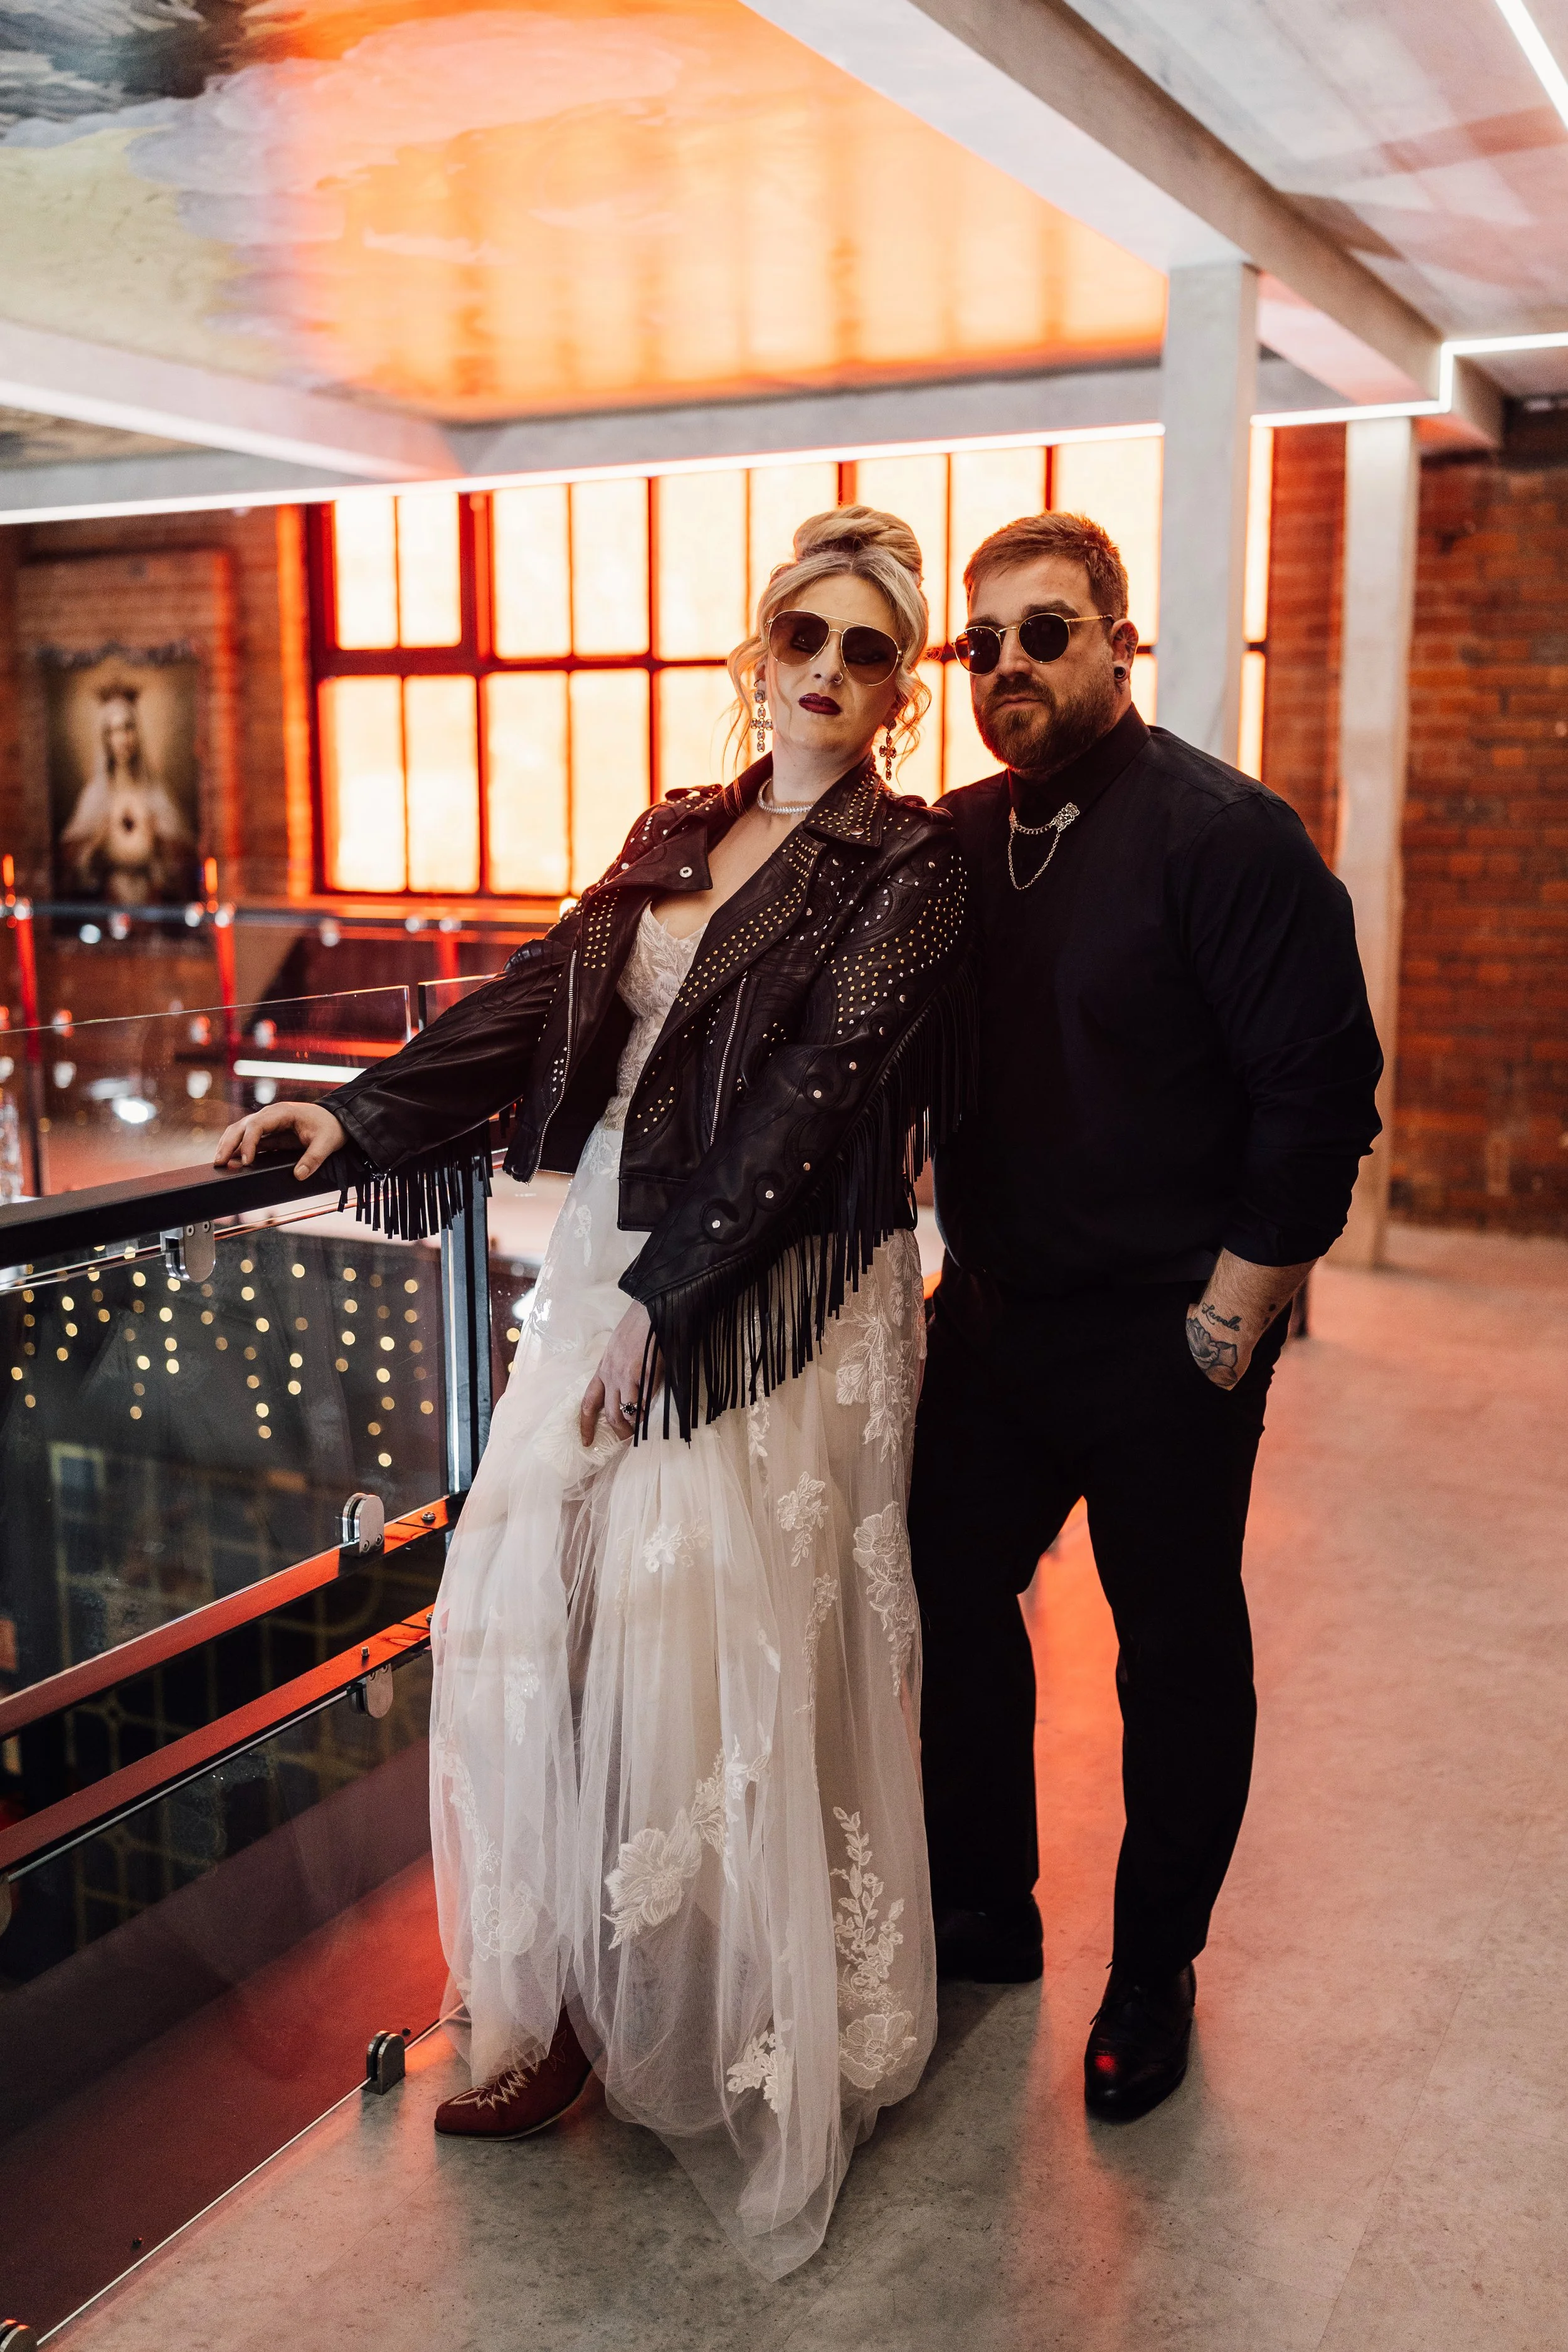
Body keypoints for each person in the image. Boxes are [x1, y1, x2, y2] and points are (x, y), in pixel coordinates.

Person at [215, 507, 973, 2277]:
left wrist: (674, 1296)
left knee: (700, 1625)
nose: (828, 670)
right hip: (614, 1251)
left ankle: (729, 2020)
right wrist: (357, 1110)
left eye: (869, 649)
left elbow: (817, 1093)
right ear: (755, 647)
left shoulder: (906, 862)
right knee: (525, 1595)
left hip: (771, 1279)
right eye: (806, 631)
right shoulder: (677, 826)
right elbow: (543, 994)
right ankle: (561, 1994)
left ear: (896, 689)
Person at [910, 509, 1382, 2124]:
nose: (1009, 667)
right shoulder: (962, 843)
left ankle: (1150, 1968)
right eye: (981, 645)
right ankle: (984, 1909)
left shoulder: (1223, 836)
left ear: (1116, 636)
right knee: (938, 1592)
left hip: (1167, 1336)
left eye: (1043, 633)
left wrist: (1229, 1322)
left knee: (1172, 1649)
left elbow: (1318, 1098)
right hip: (989, 1323)